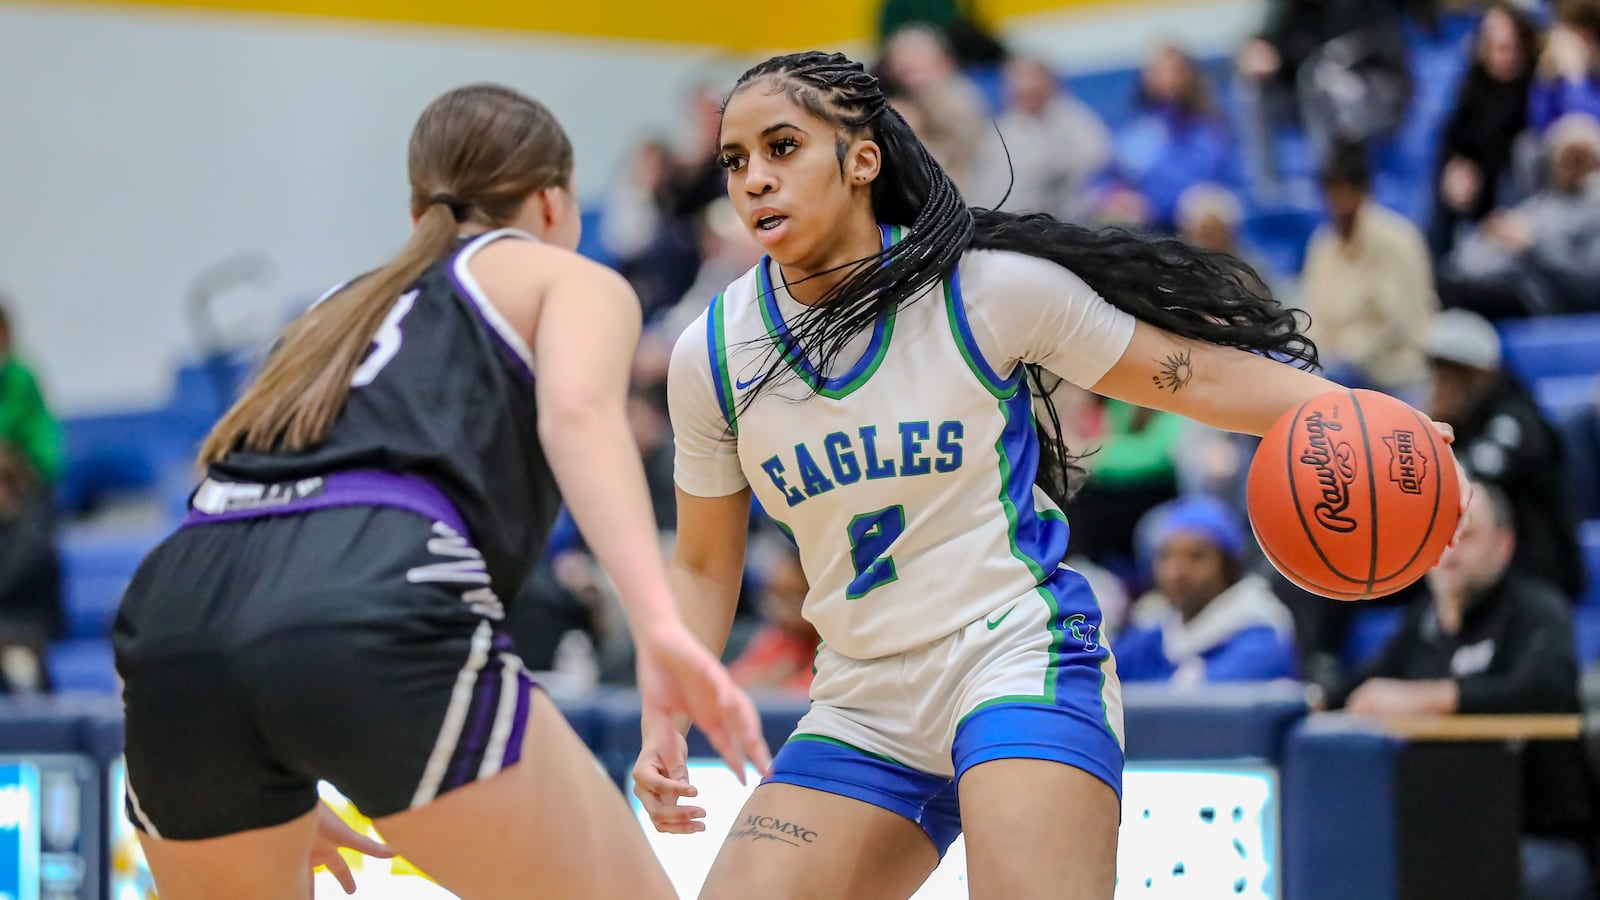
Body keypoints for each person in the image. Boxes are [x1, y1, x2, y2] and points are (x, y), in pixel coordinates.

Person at [631, 51, 1465, 900]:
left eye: (782, 148)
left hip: (1015, 657)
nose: (755, 180)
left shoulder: (984, 291)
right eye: (736, 161)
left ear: (861, 160)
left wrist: (1362, 418)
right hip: (860, 698)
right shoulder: (711, 355)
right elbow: (702, 565)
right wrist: (664, 709)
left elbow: (1195, 374)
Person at [111, 84, 767, 900]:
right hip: (363, 597)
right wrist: (659, 623)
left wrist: (266, 747)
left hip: (178, 620)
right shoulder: (567, 276)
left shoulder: (328, 308)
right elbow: (577, 415)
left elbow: (226, 487)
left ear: (418, 202)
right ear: (553, 202)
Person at [1331, 481, 1593, 900]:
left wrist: (1426, 699)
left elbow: (1545, 690)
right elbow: (1354, 689)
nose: (1449, 552)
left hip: (1532, 833)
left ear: (1504, 545)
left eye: (1466, 537)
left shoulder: (1537, 610)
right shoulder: (1423, 623)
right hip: (1434, 831)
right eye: (1439, 539)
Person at [1115, 496, 1298, 686]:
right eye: (1165, 557)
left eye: (1196, 557)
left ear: (1228, 567)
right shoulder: (1154, 635)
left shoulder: (1259, 639)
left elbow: (1191, 707)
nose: (1176, 573)